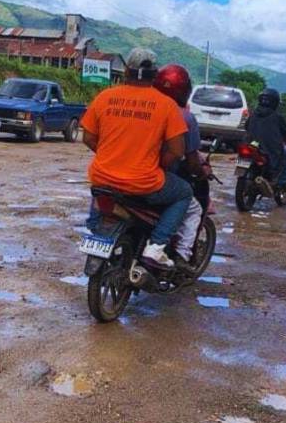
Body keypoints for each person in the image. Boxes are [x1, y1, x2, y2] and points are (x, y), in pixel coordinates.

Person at [82, 48, 195, 270]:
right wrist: (157, 164)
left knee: (101, 192)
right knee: (184, 193)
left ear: (126, 71)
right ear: (154, 75)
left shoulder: (104, 97)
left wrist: (112, 155)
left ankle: (96, 229)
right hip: (143, 183)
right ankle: (156, 246)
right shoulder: (166, 105)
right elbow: (177, 151)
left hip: (103, 179)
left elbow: (88, 137)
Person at [154, 63, 210, 263]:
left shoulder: (147, 107)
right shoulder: (185, 116)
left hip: (118, 173)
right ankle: (181, 255)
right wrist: (201, 171)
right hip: (154, 178)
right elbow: (189, 158)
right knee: (189, 201)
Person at [246, 88, 286, 189]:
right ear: (275, 102)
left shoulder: (253, 114)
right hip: (269, 149)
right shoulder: (277, 117)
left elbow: (246, 126)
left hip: (251, 145)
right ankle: (282, 183)